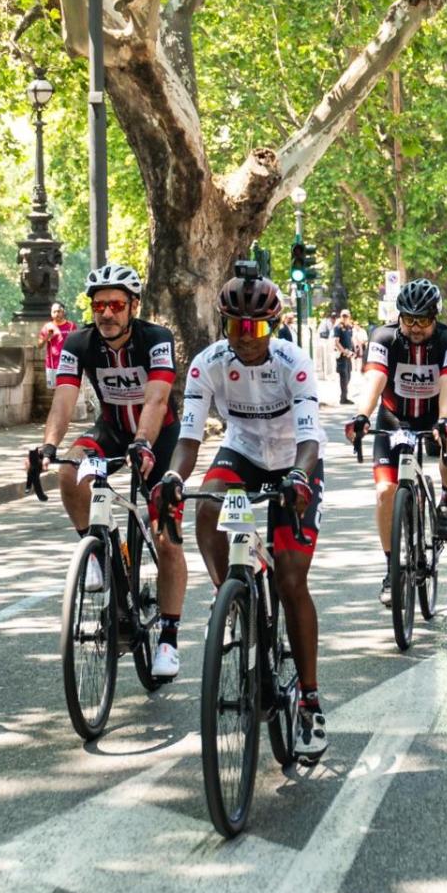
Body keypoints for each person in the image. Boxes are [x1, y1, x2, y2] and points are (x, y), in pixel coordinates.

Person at [153, 267, 328, 760]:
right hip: (244, 453)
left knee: (292, 581)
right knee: (207, 505)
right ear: (223, 326)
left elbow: (312, 437)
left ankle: (310, 702)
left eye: (257, 329)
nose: (247, 340)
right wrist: (172, 478)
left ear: (275, 326)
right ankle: (231, 597)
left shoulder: (294, 362)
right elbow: (188, 439)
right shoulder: (207, 365)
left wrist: (299, 476)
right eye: (236, 329)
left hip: (297, 460)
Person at [31, 264, 186, 679]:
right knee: (70, 473)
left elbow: (156, 400)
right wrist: (48, 445)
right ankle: (97, 549)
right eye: (99, 305)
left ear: (133, 306)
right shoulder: (79, 342)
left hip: (158, 438)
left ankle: (169, 638)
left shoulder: (156, 339)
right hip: (112, 430)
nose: (107, 313)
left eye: (116, 304)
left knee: (166, 538)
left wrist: (143, 443)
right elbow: (63, 399)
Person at [345, 278, 447, 605]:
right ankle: (392, 570)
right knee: (386, 492)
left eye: (423, 320)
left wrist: (444, 421)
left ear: (436, 318)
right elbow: (376, 378)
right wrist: (361, 415)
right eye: (408, 319)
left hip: (436, 411)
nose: (415, 327)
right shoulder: (383, 337)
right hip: (394, 417)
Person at [38, 301, 77, 389]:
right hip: (52, 364)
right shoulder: (47, 327)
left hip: (68, 364)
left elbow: (77, 343)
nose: (56, 314)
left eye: (58, 311)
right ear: (51, 313)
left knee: (67, 389)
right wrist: (47, 337)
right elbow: (39, 346)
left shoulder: (71, 326)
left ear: (63, 312)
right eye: (54, 312)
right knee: (54, 390)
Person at [333, 309, 355, 403]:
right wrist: (344, 351)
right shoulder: (338, 327)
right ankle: (343, 398)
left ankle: (345, 396)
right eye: (343, 316)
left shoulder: (350, 327)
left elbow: (351, 340)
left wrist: (353, 351)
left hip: (348, 356)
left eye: (346, 316)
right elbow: (336, 342)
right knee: (344, 376)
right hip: (342, 356)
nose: (345, 318)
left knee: (348, 375)